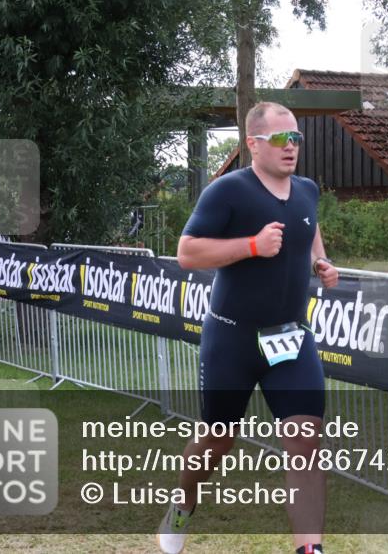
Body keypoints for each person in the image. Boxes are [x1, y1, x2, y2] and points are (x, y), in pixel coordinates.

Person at [157, 102, 339, 553]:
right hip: (232, 341)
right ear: (252, 145)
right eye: (280, 138)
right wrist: (252, 246)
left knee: (304, 440)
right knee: (217, 440)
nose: (290, 147)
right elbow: (188, 253)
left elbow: (309, 227)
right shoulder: (227, 192)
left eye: (295, 137)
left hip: (290, 340)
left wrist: (320, 260)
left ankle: (309, 549)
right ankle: (182, 505)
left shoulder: (307, 190)